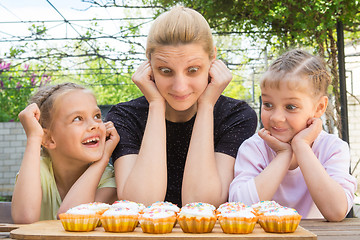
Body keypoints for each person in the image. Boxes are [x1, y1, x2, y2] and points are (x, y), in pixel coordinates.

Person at [106, 6, 257, 208]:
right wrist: (156, 105)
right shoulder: (125, 116)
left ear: (213, 57)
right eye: (165, 71)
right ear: (149, 63)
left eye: (193, 70)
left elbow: (201, 205)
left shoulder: (236, 115)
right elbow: (140, 204)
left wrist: (206, 106)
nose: (180, 87)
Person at [229, 49, 357, 221]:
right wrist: (283, 155)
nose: (276, 117)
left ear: (319, 107)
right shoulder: (254, 148)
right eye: (268, 104)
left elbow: (336, 211)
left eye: (290, 107)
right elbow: (241, 208)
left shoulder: (333, 148)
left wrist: (302, 146)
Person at [11, 82, 119, 224]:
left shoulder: (109, 178)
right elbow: (24, 217)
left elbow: (70, 216)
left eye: (97, 116)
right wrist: (34, 138)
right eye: (77, 118)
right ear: (48, 139)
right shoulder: (36, 170)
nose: (95, 124)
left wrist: (104, 157)